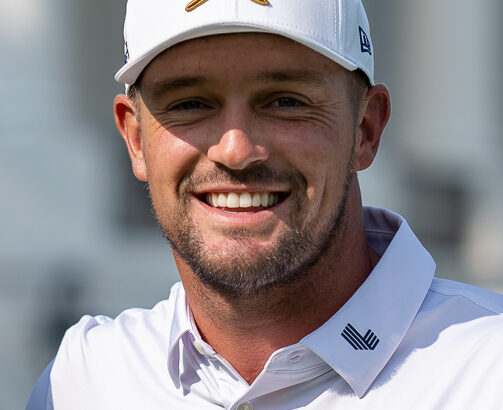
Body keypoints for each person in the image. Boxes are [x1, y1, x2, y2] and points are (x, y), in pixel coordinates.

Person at [27, 0, 503, 409]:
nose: (235, 150)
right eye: (190, 103)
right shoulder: (84, 381)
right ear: (135, 140)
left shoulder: (487, 371)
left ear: (366, 130)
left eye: (285, 101)